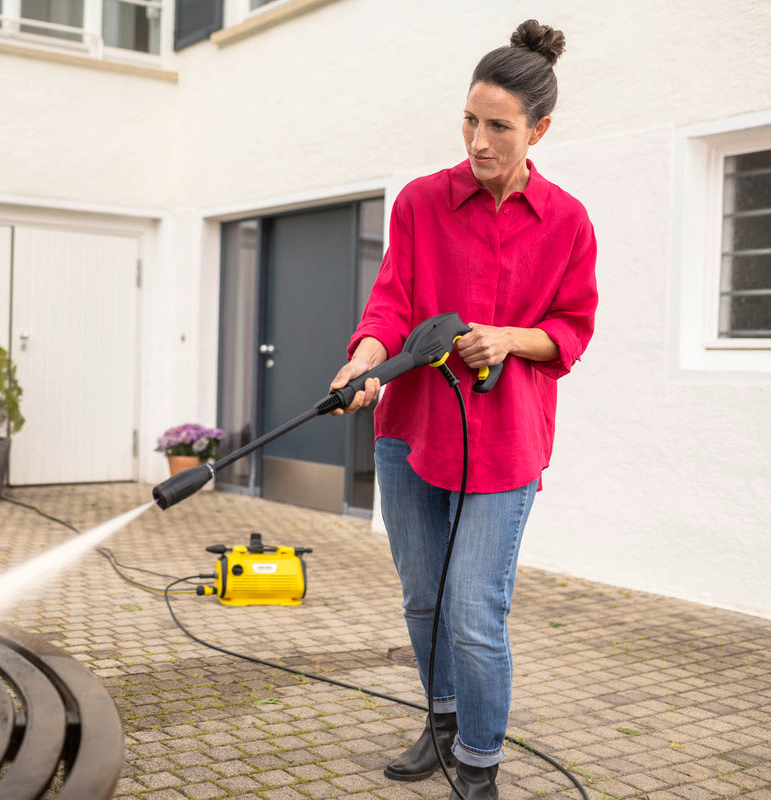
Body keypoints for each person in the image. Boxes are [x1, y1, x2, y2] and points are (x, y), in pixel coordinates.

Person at [328, 19, 598, 800]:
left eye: (498, 127)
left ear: (538, 130)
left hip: (505, 443)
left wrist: (511, 339)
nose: (478, 141)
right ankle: (441, 721)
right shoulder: (420, 203)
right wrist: (364, 362)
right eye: (470, 122)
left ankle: (478, 764)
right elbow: (389, 308)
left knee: (475, 610)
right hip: (411, 433)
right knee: (423, 597)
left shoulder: (568, 222)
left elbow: (572, 330)